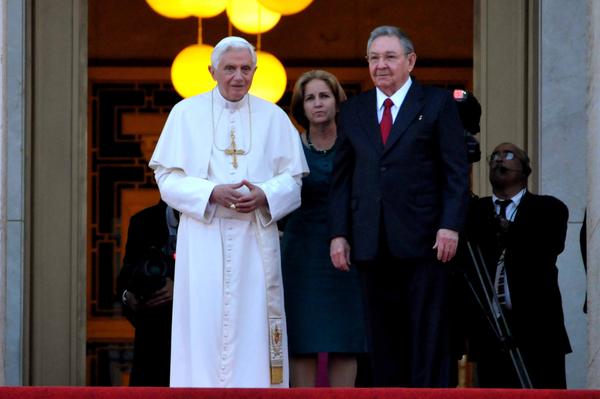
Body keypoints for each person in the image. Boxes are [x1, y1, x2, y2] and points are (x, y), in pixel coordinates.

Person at [148, 36, 308, 387]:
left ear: (254, 71)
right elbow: (166, 178)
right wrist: (210, 192)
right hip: (203, 236)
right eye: (230, 68)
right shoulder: (185, 114)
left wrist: (265, 194)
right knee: (203, 323)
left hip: (255, 237)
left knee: (253, 322)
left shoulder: (274, 117)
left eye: (246, 68)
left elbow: (293, 181)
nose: (239, 76)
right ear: (212, 71)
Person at [328, 25, 469, 387]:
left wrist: (449, 225)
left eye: (390, 57)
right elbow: (341, 178)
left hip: (426, 240)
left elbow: (455, 172)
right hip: (370, 240)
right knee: (380, 335)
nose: (381, 65)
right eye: (374, 58)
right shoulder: (354, 110)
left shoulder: (436, 104)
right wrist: (339, 234)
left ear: (410, 61)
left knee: (427, 332)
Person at [281, 70, 366, 387]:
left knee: (345, 342)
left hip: (347, 252)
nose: (317, 104)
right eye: (310, 98)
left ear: (337, 101)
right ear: (300, 107)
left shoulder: (356, 143)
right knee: (301, 342)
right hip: (300, 253)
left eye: (324, 96)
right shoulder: (289, 147)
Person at [464, 142, 571, 388]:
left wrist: (510, 231)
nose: (500, 160)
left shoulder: (548, 208)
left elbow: (550, 246)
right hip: (490, 330)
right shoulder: (474, 211)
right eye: (495, 156)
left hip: (539, 330)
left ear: (524, 170)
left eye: (508, 155)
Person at [117, 199, 177, 386]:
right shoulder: (143, 222)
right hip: (152, 340)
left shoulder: (212, 222)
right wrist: (130, 296)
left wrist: (179, 288)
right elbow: (125, 278)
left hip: (198, 340)